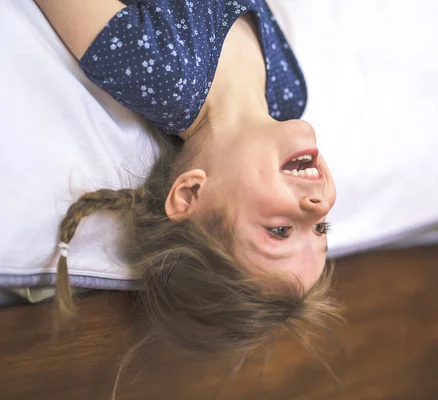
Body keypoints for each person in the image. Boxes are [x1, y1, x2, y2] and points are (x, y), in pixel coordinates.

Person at [34, 0, 342, 394]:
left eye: (281, 230)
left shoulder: (159, 72)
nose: (319, 206)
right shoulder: (287, 91)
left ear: (191, 193)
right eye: (321, 228)